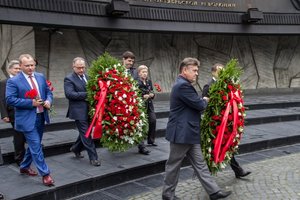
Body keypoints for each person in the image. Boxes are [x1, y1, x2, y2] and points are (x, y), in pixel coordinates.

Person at [162, 58, 231, 200]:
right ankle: (168, 195)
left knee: (200, 164)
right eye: (194, 70)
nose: (196, 74)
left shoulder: (184, 84)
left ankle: (214, 192)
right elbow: (199, 105)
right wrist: (205, 100)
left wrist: (202, 101)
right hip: (182, 133)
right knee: (173, 165)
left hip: (189, 132)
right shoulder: (183, 86)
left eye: (197, 71)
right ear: (184, 70)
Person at [6, 54, 54, 186]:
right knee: (36, 145)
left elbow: (48, 92)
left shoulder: (40, 76)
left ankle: (24, 166)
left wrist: (49, 101)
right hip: (26, 119)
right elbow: (10, 99)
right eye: (27, 65)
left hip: (41, 117)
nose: (30, 67)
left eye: (32, 65)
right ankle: (46, 174)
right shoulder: (14, 81)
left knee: (35, 144)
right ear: (20, 66)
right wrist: (30, 103)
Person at [202, 63, 251, 178]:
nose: (222, 73)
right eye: (220, 71)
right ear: (213, 72)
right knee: (212, 150)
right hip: (214, 123)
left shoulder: (225, 84)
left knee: (227, 145)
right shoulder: (208, 86)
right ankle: (207, 178)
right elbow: (204, 104)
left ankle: (238, 171)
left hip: (225, 122)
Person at [64, 57, 101, 166]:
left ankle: (75, 148)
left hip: (90, 110)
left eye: (83, 67)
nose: (81, 70)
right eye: (79, 68)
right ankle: (93, 157)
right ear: (73, 67)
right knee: (86, 134)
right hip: (78, 111)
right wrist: (88, 95)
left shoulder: (88, 77)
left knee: (85, 132)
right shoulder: (69, 79)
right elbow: (70, 94)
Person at [122, 51, 150, 155]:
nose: (130, 63)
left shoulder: (134, 72)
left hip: (133, 101)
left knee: (139, 123)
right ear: (123, 59)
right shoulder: (116, 70)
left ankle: (141, 146)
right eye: (129, 61)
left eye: (132, 61)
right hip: (120, 102)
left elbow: (139, 86)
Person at [0, 60, 26, 166]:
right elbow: (1, 99)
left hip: (25, 110)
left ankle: (20, 149)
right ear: (9, 69)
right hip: (13, 112)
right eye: (16, 68)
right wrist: (4, 115)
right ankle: (19, 159)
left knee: (22, 134)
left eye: (19, 68)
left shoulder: (24, 80)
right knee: (19, 134)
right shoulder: (4, 82)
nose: (18, 70)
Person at [137, 65, 157, 146]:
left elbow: (151, 90)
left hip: (149, 105)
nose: (145, 74)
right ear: (139, 73)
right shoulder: (136, 82)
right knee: (141, 125)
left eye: (146, 72)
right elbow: (135, 94)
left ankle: (151, 140)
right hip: (141, 106)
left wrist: (152, 94)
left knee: (153, 120)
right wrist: (142, 96)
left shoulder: (149, 81)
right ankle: (141, 145)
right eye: (143, 72)